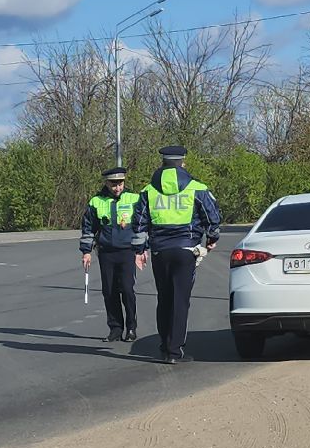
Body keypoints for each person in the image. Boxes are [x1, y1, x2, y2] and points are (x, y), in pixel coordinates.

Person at [132, 144, 220, 364]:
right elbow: (212, 216)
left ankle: (164, 346)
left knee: (164, 298)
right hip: (185, 250)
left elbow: (139, 222)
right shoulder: (196, 187)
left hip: (160, 251)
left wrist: (139, 250)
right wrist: (212, 238)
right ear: (182, 162)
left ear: (162, 163)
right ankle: (174, 351)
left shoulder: (148, 190)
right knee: (180, 301)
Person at [79, 166, 146, 343]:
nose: (117, 187)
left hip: (127, 251)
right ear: (107, 183)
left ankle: (131, 328)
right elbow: (88, 227)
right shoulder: (96, 201)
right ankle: (115, 329)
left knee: (127, 289)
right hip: (106, 251)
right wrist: (86, 251)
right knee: (109, 291)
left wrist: (143, 249)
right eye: (113, 184)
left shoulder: (135, 199)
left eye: (120, 183)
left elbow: (143, 225)